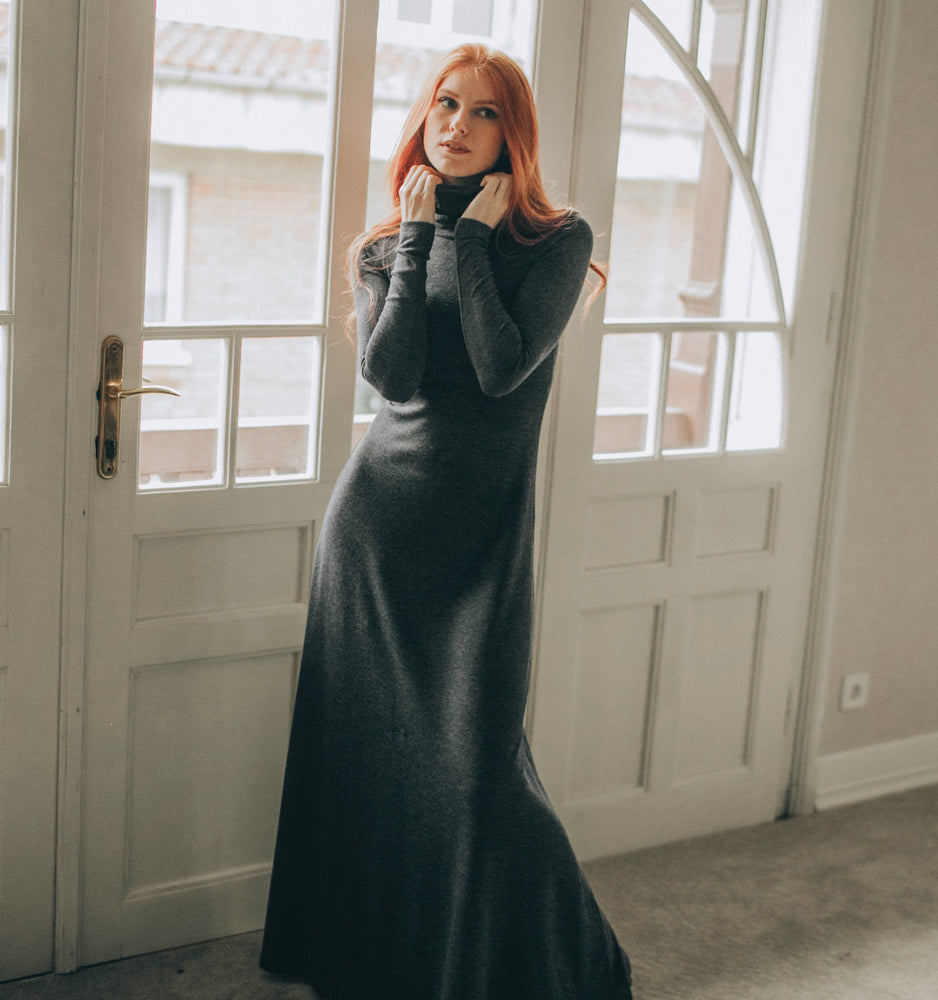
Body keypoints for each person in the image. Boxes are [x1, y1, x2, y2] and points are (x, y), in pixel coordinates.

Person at [260, 43, 633, 1000]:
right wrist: (425, 238)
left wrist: (470, 240)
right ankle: (373, 963)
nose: (457, 127)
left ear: (516, 133)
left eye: (483, 113)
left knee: (478, 778)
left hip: (480, 543)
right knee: (362, 763)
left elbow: (502, 365)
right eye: (444, 107)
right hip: (377, 530)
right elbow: (390, 377)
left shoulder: (558, 242)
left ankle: (570, 968)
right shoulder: (386, 245)